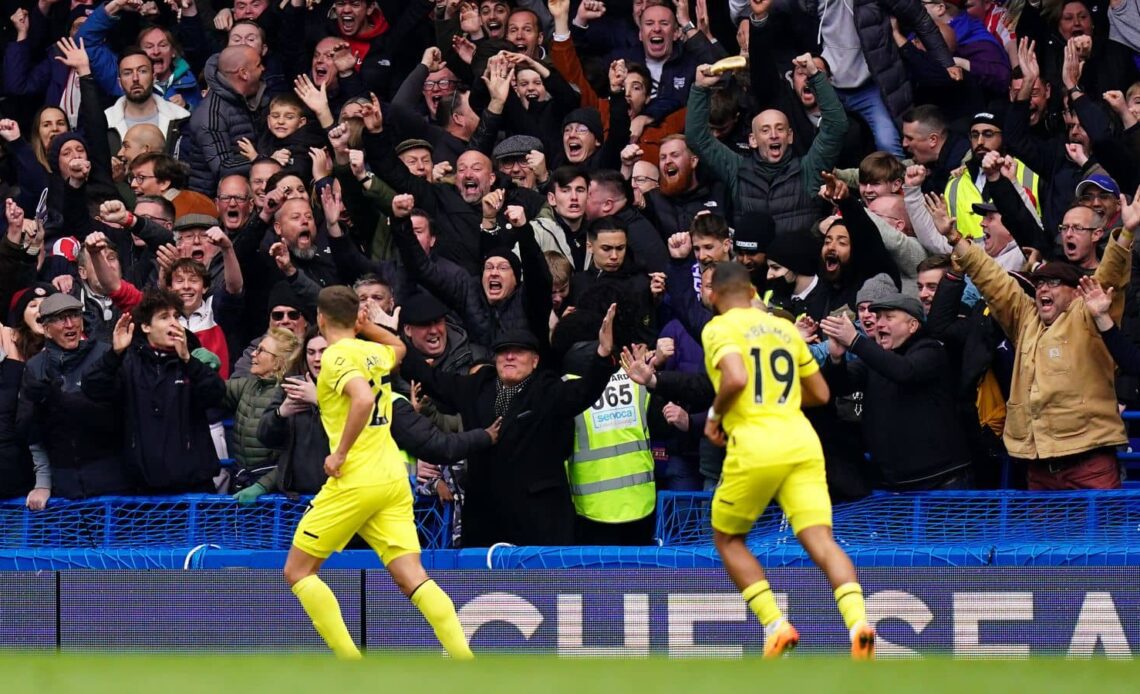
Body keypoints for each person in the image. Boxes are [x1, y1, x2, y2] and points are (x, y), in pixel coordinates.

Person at [283, 286, 473, 661]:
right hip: (391, 478)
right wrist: (369, 328)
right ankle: (465, 658)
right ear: (356, 319)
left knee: (298, 571)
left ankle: (351, 666)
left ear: (320, 319)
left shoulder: (337, 356)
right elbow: (401, 349)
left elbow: (363, 398)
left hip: (356, 479)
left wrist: (339, 454)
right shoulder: (370, 350)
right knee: (412, 576)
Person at [699, 261, 873, 658]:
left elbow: (737, 377)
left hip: (756, 444)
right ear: (753, 293)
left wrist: (715, 416)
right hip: (801, 441)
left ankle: (776, 624)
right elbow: (820, 393)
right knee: (820, 540)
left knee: (727, 538)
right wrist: (783, 399)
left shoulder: (719, 328)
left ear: (714, 295)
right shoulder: (782, 328)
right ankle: (858, 622)